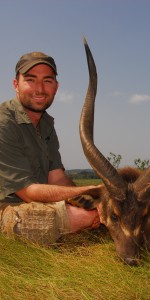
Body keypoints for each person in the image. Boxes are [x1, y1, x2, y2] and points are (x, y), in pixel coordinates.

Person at [0, 51, 101, 245]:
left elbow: (58, 178)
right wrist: (93, 191)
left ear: (56, 87)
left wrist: (90, 201)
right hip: (8, 207)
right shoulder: (4, 123)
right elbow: (27, 192)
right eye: (30, 80)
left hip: (36, 204)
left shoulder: (46, 124)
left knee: (91, 212)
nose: (39, 89)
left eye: (47, 81)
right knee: (77, 217)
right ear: (16, 85)